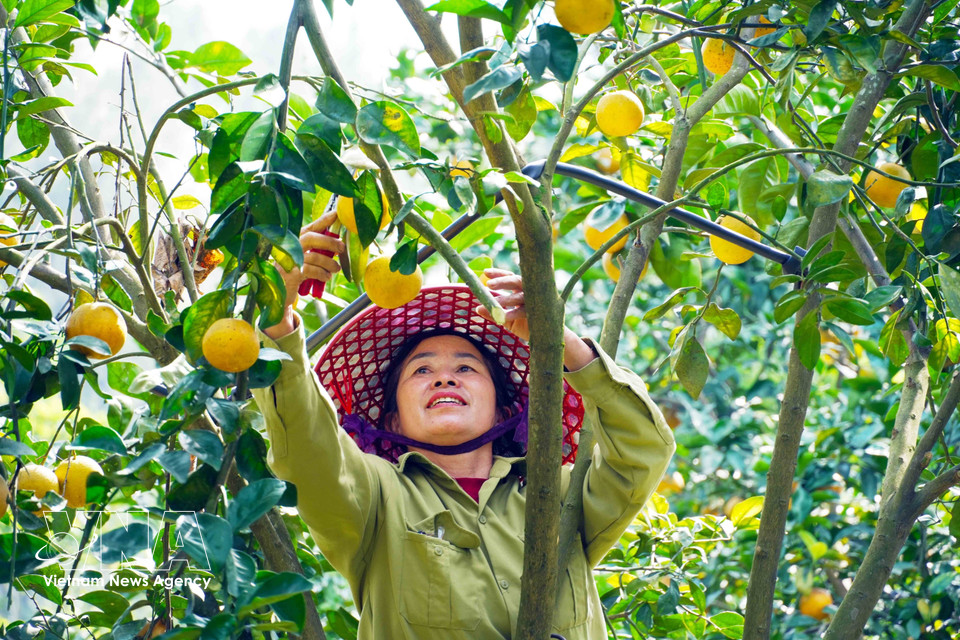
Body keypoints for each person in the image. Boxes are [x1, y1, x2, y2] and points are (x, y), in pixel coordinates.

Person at [251, 210, 676, 639]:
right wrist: (276, 315)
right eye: (421, 371)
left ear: (504, 412)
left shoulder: (560, 493)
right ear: (392, 418)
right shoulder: (377, 499)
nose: (444, 377)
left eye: (467, 367)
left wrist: (559, 338)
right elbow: (310, 449)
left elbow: (641, 452)